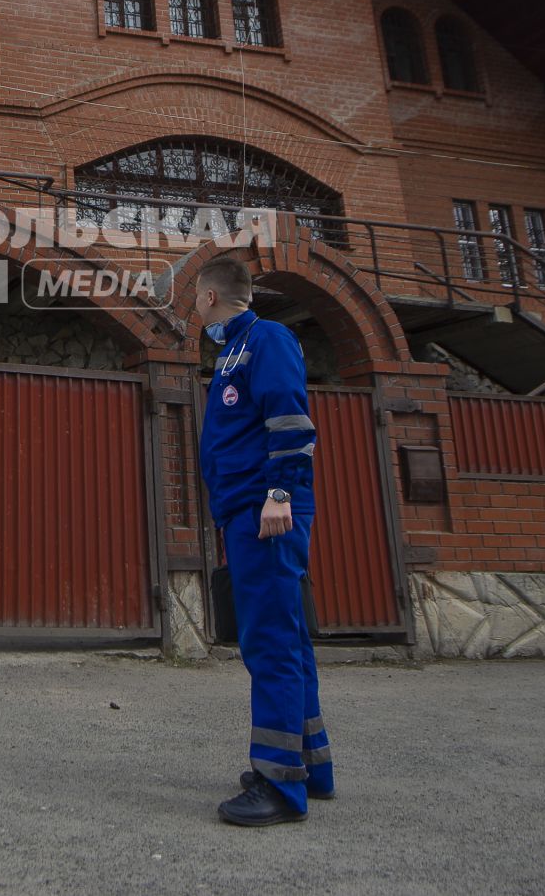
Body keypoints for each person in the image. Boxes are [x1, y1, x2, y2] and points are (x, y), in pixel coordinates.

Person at [193, 254, 332, 826]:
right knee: (288, 641)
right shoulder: (232, 351)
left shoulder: (266, 339)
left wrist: (279, 494)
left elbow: (290, 419)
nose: (196, 312)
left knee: (270, 644)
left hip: (266, 513)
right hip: (246, 512)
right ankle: (308, 768)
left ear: (208, 297)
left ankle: (278, 786)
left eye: (196, 302)